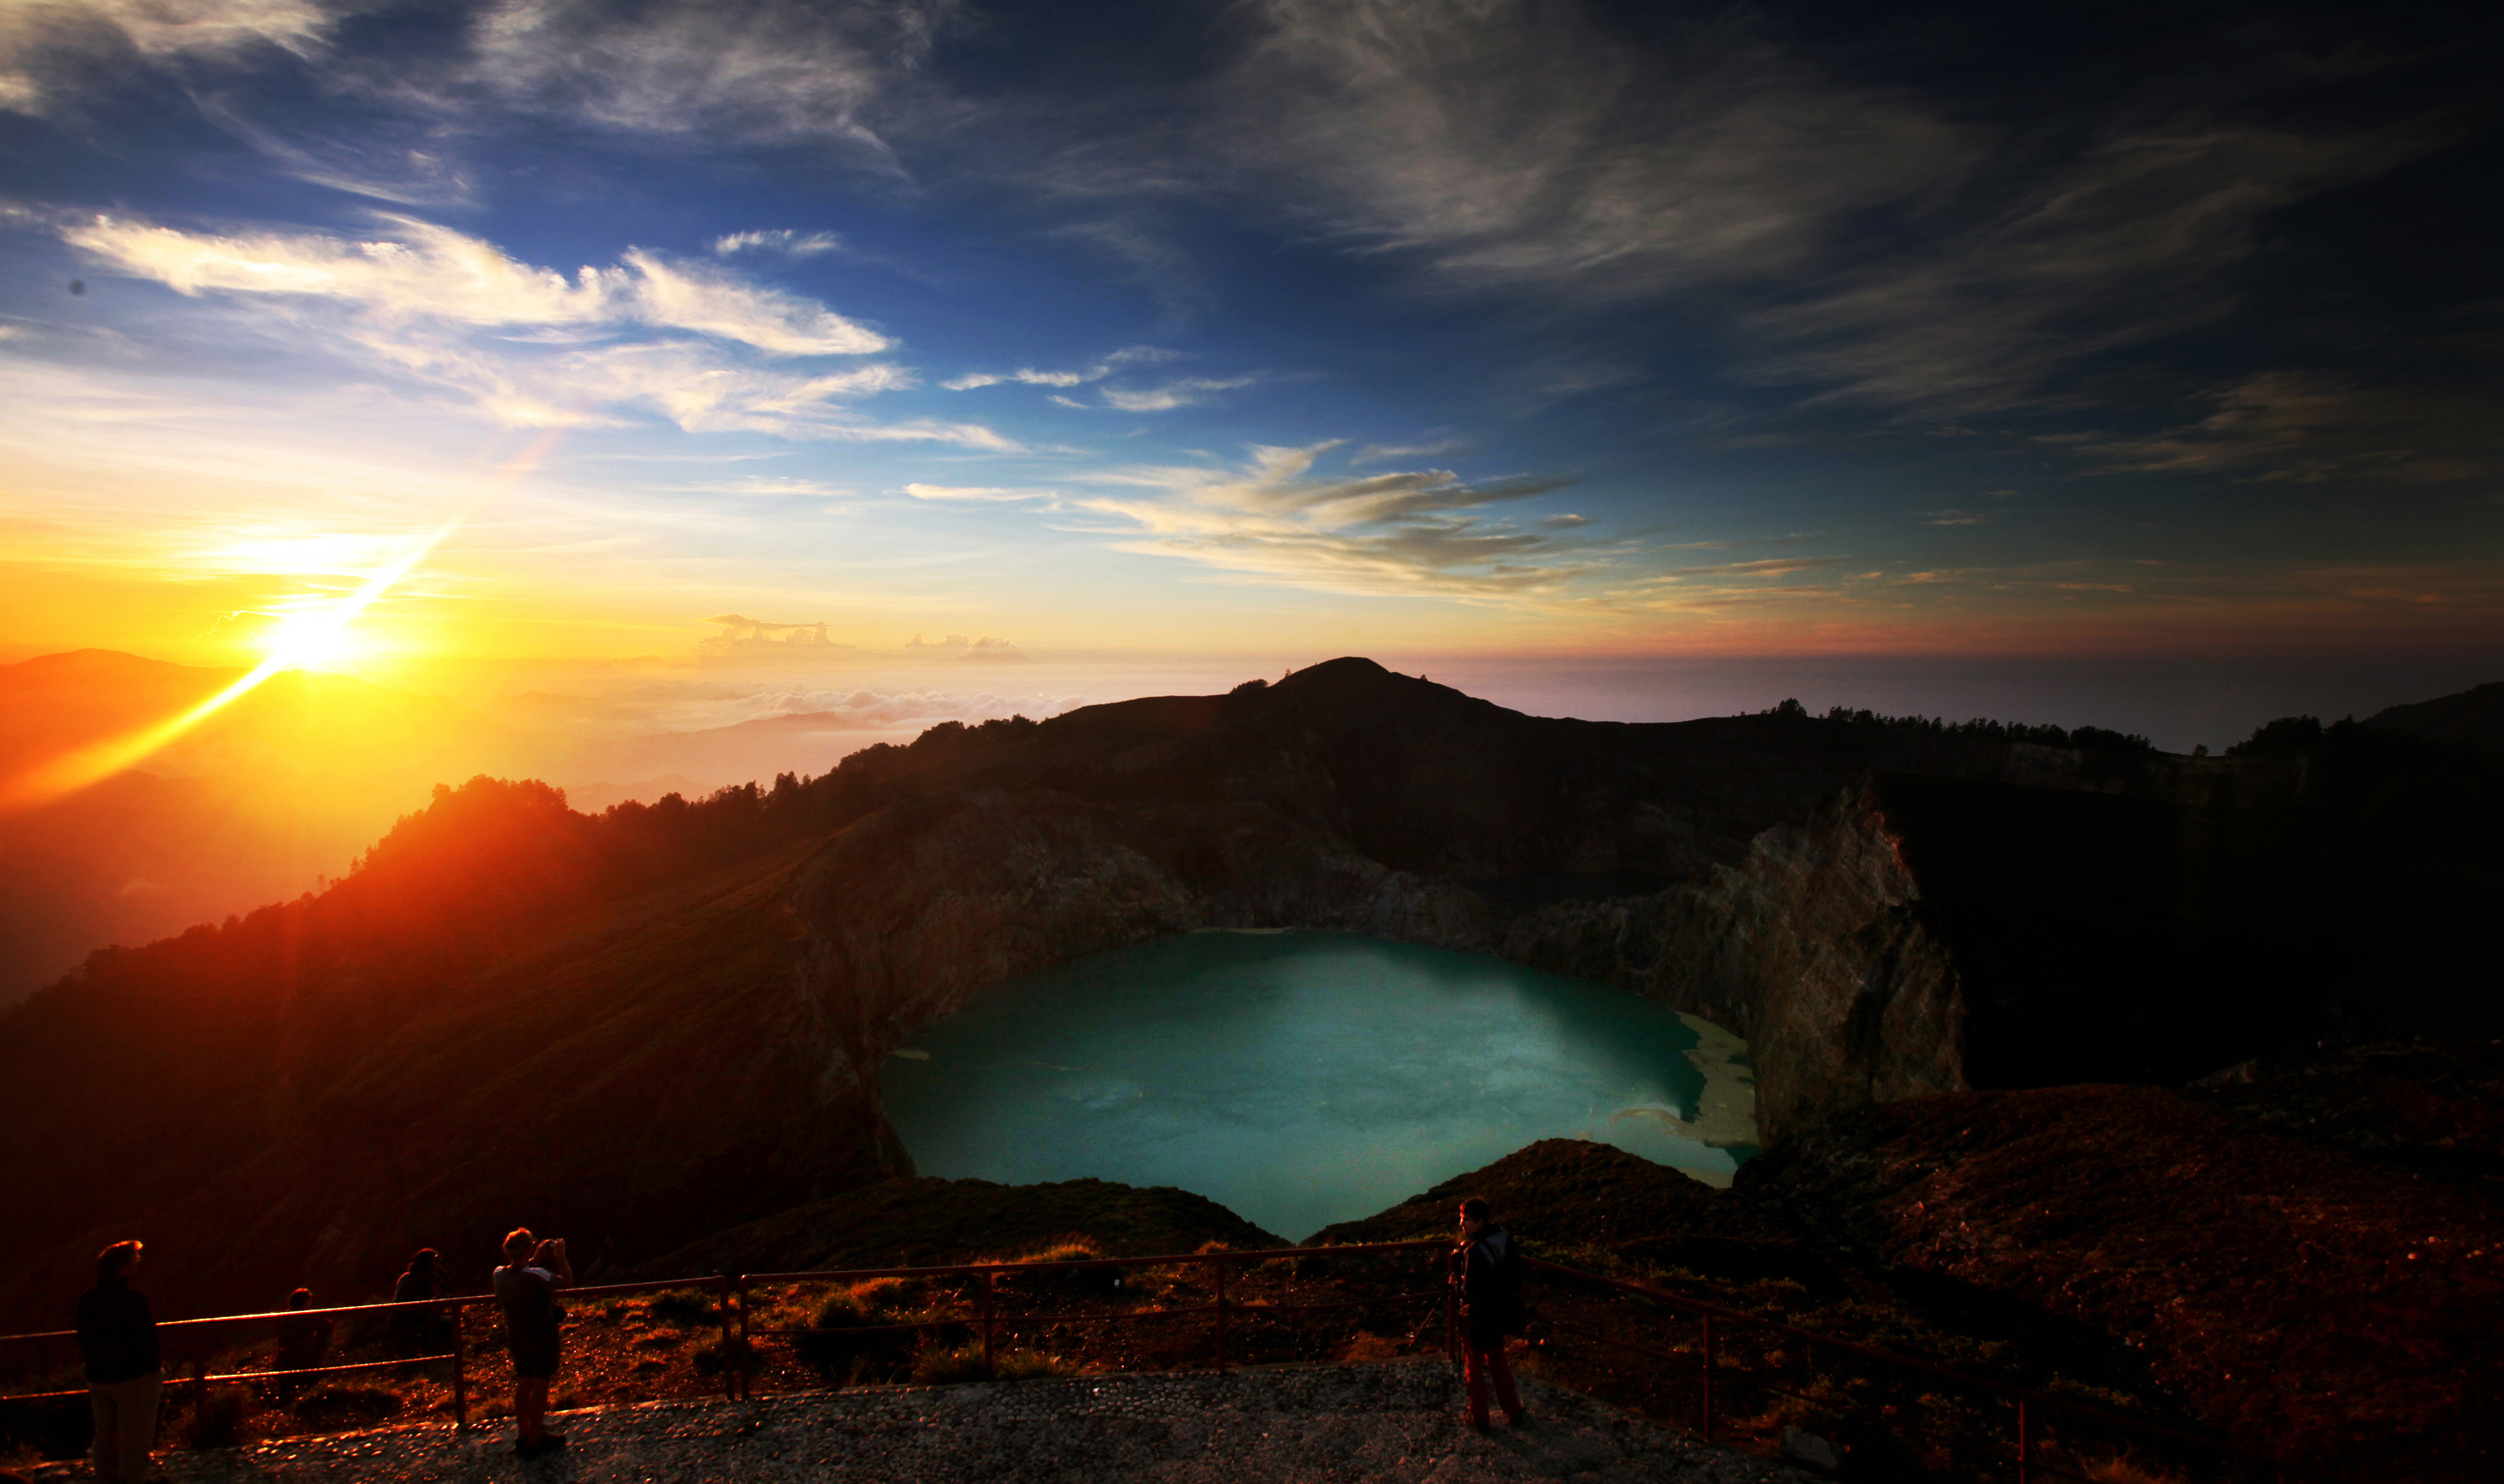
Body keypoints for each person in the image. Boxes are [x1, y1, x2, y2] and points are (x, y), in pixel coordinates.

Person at [75, 1240, 160, 1483]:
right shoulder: (133, 1301)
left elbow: (83, 1338)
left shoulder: (87, 1300)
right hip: (133, 1379)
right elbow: (147, 1341)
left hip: (99, 1376)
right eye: (134, 1260)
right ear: (123, 1267)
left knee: (104, 1436)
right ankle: (133, 1480)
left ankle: (105, 1479)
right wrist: (152, 1369)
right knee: (135, 1437)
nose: (138, 1264)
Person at [492, 1229, 573, 1460]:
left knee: (524, 1382)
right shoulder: (537, 1274)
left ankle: (524, 1433)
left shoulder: (498, 1274)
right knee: (540, 1386)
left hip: (517, 1337)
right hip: (542, 1337)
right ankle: (536, 1441)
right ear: (527, 1248)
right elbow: (567, 1281)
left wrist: (534, 1258)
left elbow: (520, 1272)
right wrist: (560, 1256)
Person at [1455, 1196, 1527, 1431]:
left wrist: (1458, 1281)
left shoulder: (1474, 1253)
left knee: (1473, 1367)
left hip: (1476, 1317)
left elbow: (1470, 1293)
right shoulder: (1503, 1237)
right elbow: (1516, 1273)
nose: (1461, 1224)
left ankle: (1480, 1417)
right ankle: (1513, 1410)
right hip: (1498, 1311)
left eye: (1465, 1219)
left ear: (1480, 1221)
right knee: (1498, 1361)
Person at [390, 1249, 452, 1356]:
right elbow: (445, 1291)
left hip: (396, 1322)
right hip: (416, 1321)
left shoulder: (405, 1277)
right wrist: (442, 1272)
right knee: (450, 1319)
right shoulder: (430, 1276)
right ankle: (436, 1351)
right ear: (431, 1263)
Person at [273, 1289, 333, 1388]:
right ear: (305, 1302)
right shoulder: (308, 1316)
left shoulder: (283, 1318)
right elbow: (328, 1325)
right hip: (306, 1356)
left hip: (285, 1358)